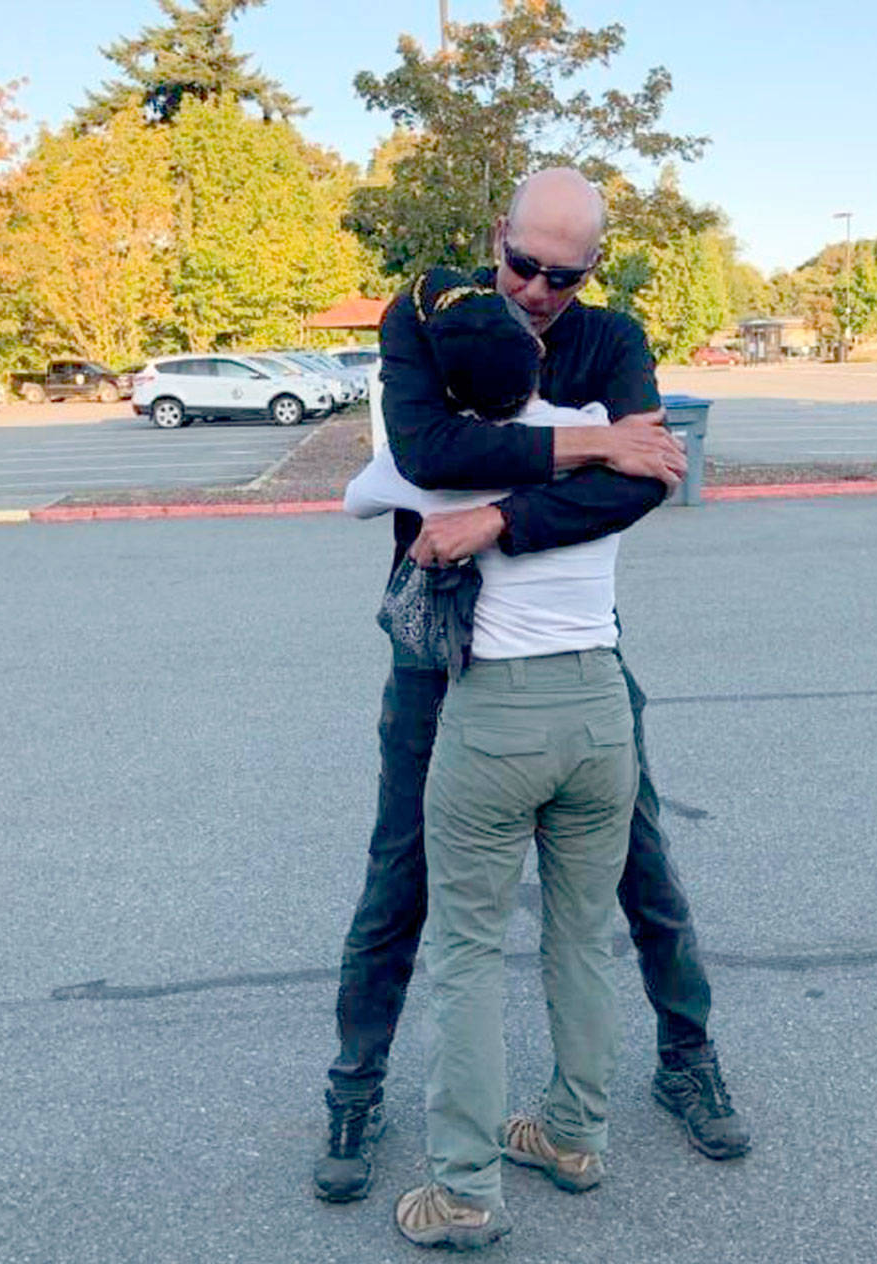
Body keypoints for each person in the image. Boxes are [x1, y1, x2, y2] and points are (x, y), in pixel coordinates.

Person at [314, 168, 751, 1207]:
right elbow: (427, 446)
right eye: (524, 265)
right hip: (437, 646)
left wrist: (498, 516)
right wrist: (591, 441)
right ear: (495, 237)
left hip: (570, 651)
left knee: (637, 865)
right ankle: (354, 1085)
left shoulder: (610, 338)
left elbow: (641, 489)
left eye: (567, 273)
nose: (541, 290)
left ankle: (686, 1055)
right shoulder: (430, 313)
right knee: (399, 874)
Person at [346, 277, 645, 1246]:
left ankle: (465, 1190)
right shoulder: (594, 426)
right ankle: (572, 1134)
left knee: (468, 951)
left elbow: (366, 491)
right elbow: (648, 464)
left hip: (498, 718)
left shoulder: (428, 463)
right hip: (601, 709)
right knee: (582, 935)